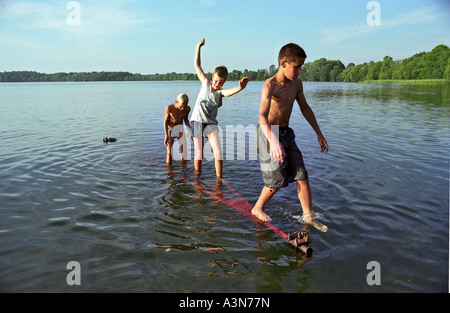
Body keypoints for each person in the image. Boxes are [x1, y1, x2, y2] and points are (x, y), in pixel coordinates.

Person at [251, 43, 329, 232]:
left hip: (286, 133)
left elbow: (305, 108)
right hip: (268, 133)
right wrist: (273, 140)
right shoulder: (270, 85)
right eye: (297, 66)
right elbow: (262, 116)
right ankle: (257, 208)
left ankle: (308, 217)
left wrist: (319, 133)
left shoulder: (297, 84)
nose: (300, 71)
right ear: (283, 63)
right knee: (277, 180)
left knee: (301, 174)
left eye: (301, 66)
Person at [191, 38, 249, 179]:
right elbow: (196, 65)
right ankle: (197, 177)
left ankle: (219, 178)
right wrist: (199, 47)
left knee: (218, 152)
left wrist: (240, 87)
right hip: (197, 121)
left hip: (211, 124)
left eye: (221, 82)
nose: (217, 84)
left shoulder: (220, 92)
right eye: (216, 81)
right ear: (213, 77)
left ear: (224, 82)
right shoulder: (205, 83)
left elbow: (230, 92)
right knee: (199, 152)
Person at [164, 93, 192, 164]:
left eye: (184, 107)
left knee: (184, 152)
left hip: (180, 129)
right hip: (170, 129)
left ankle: (184, 170)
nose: (182, 109)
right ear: (176, 102)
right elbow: (165, 121)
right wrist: (166, 135)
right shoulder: (169, 108)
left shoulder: (187, 109)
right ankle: (169, 172)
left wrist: (189, 132)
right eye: (181, 106)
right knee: (169, 153)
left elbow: (186, 120)